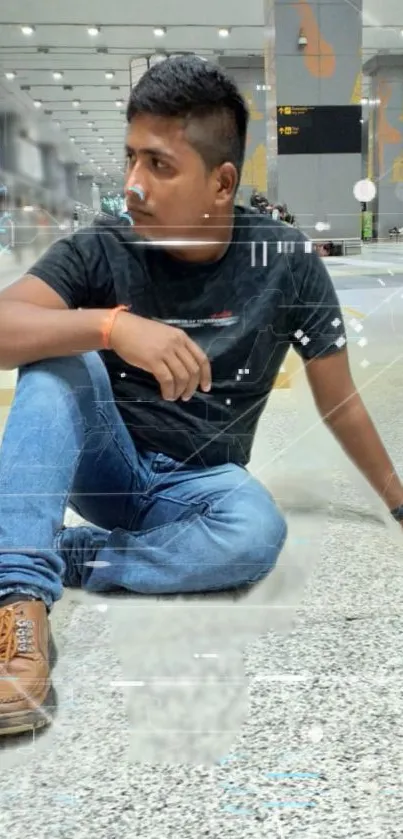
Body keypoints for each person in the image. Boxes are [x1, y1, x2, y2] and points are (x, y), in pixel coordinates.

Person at [0, 55, 402, 738]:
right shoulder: (104, 246)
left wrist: (395, 498)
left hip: (204, 483)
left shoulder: (284, 261)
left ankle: (63, 553)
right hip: (112, 469)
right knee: (57, 362)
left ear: (220, 182)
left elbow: (338, 399)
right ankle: (17, 598)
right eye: (131, 159)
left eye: (157, 165)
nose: (132, 185)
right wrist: (110, 325)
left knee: (255, 532)